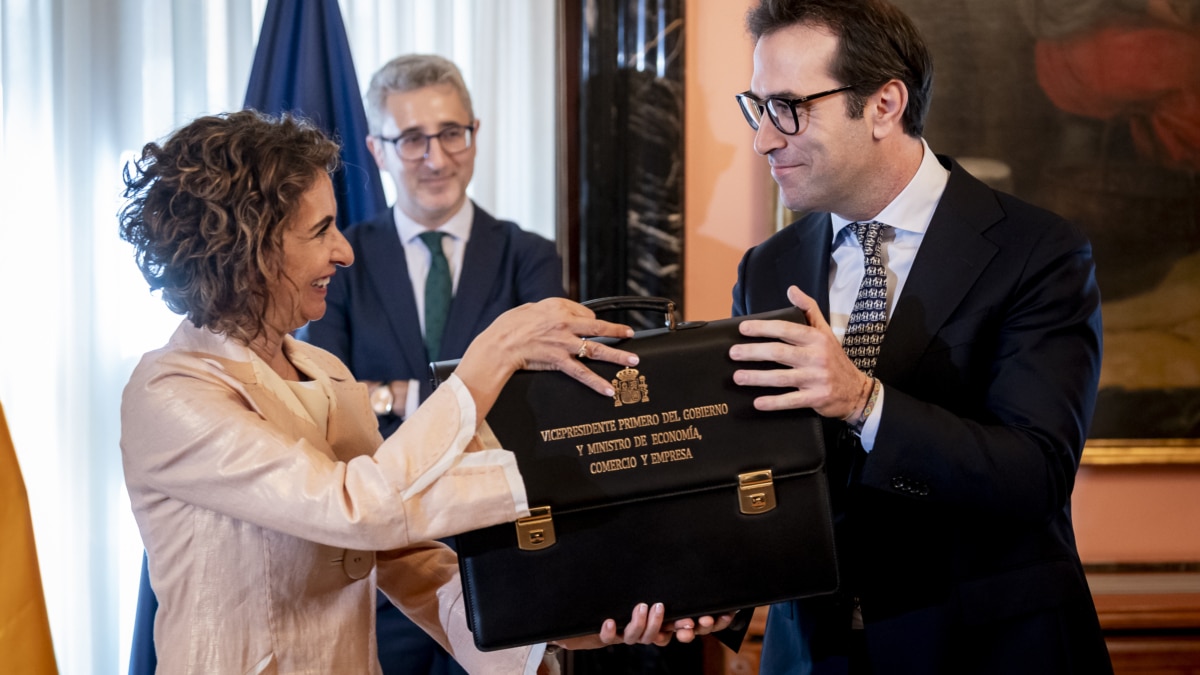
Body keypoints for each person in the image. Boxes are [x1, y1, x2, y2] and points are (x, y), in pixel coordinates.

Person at [117, 109, 716, 674]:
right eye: (321, 230)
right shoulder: (171, 391)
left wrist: (564, 620)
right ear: (251, 248)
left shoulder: (325, 371)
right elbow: (356, 511)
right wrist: (491, 356)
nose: (344, 251)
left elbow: (412, 562)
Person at [725, 1, 1112, 673]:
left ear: (884, 105)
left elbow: (1036, 474)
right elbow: (757, 474)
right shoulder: (768, 266)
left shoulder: (1037, 251)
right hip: (813, 654)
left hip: (986, 651)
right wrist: (702, 592)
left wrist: (862, 401)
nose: (763, 139)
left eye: (787, 108)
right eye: (757, 107)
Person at [295, 53, 566, 673]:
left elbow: (540, 404)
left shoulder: (530, 257)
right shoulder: (337, 261)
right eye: (412, 139)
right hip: (382, 567)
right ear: (378, 149)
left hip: (504, 555)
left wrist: (394, 395)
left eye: (451, 133)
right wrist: (466, 391)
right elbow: (328, 407)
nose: (436, 158)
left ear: (476, 133)